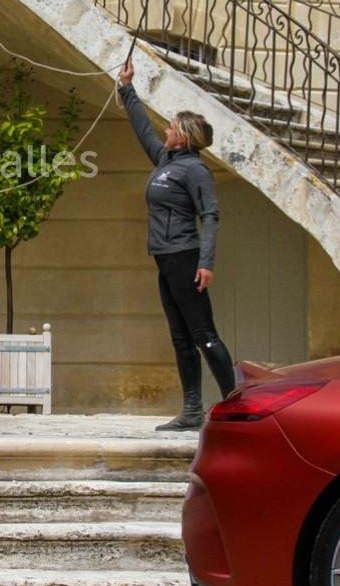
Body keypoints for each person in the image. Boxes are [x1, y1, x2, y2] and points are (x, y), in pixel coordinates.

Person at [118, 59, 235, 432]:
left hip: (185, 257)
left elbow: (210, 215)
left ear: (183, 136)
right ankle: (192, 411)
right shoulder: (165, 161)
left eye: (170, 127)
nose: (165, 130)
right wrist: (127, 89)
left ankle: (237, 407)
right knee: (180, 336)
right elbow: (142, 131)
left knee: (204, 335)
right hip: (165, 260)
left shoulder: (196, 170)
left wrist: (206, 262)